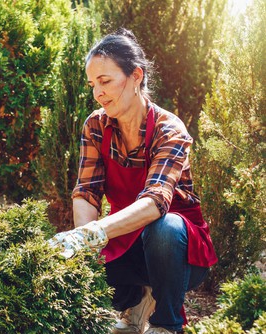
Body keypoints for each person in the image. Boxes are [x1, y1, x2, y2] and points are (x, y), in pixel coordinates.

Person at [49, 28, 218, 334]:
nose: (97, 93)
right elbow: (86, 193)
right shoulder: (96, 126)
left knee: (163, 228)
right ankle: (135, 300)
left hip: (180, 251)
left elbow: (155, 203)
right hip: (126, 240)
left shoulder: (170, 130)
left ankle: (166, 323)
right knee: (88, 251)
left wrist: (93, 233)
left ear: (136, 76)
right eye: (92, 85)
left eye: (105, 81)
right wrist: (82, 243)